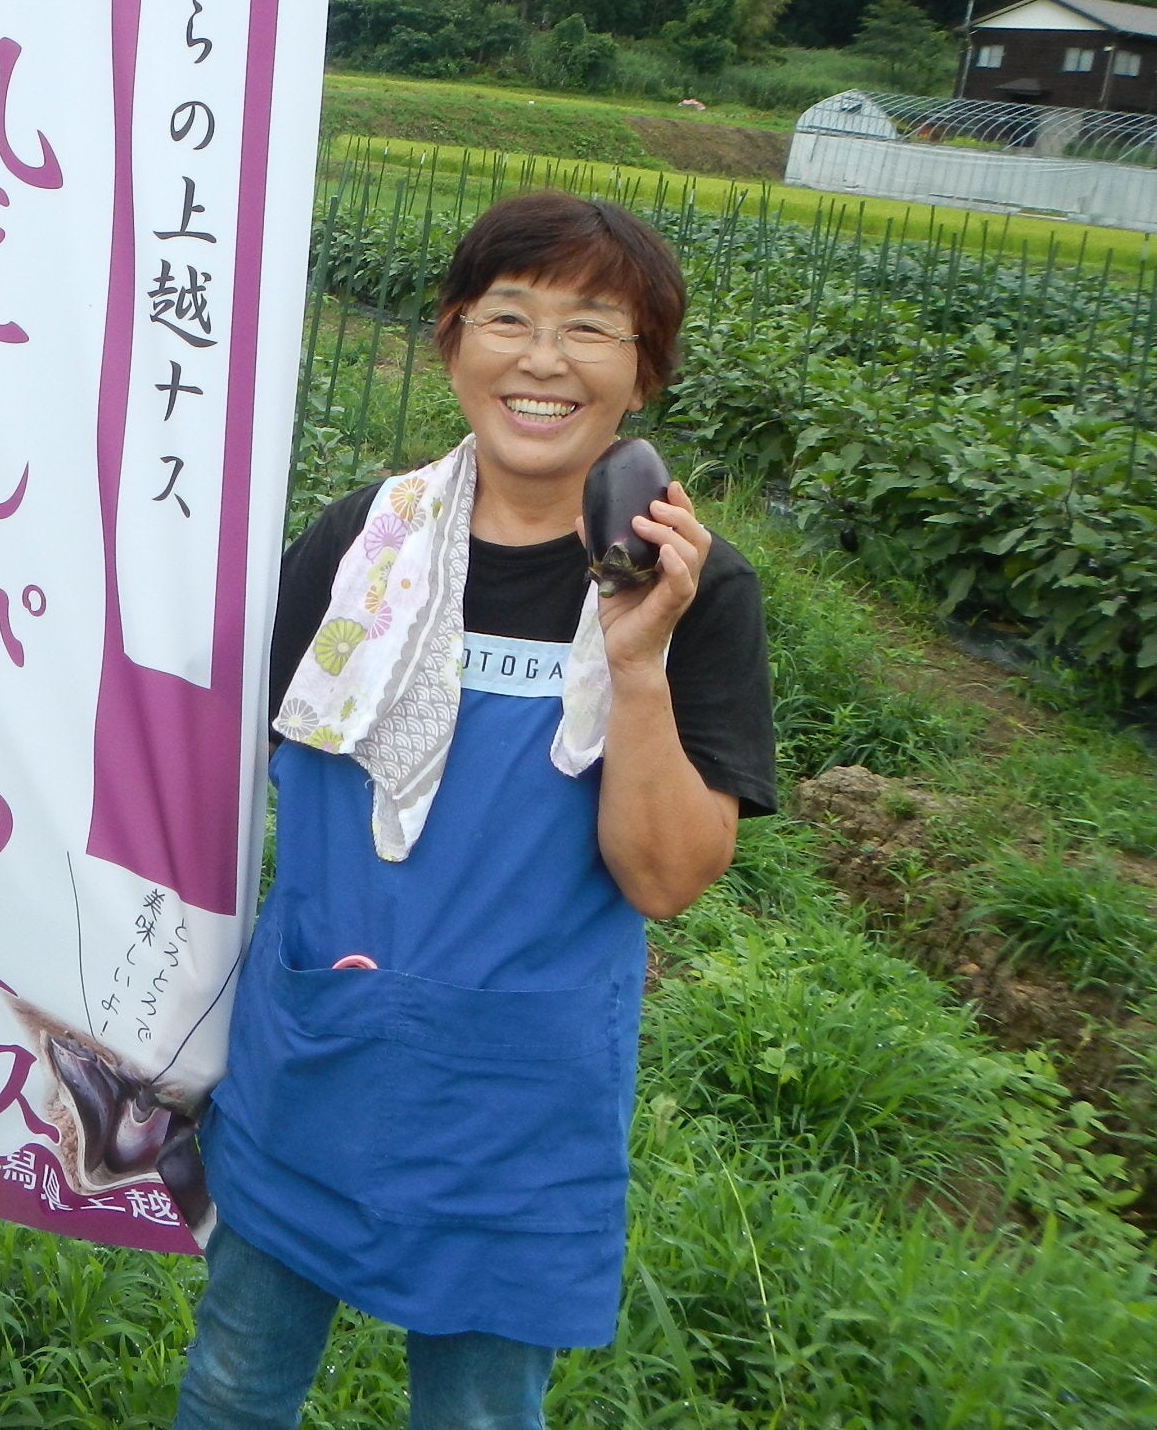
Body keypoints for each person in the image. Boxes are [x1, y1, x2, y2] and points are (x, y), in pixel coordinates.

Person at [173, 193, 776, 1430]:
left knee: (480, 1415)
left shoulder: (690, 587)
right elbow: (236, 766)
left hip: (518, 1099)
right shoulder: (360, 546)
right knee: (236, 1382)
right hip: (318, 1051)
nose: (543, 359)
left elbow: (665, 879)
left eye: (591, 329)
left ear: (643, 376)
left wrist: (641, 659)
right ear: (452, 342)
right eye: (510, 317)